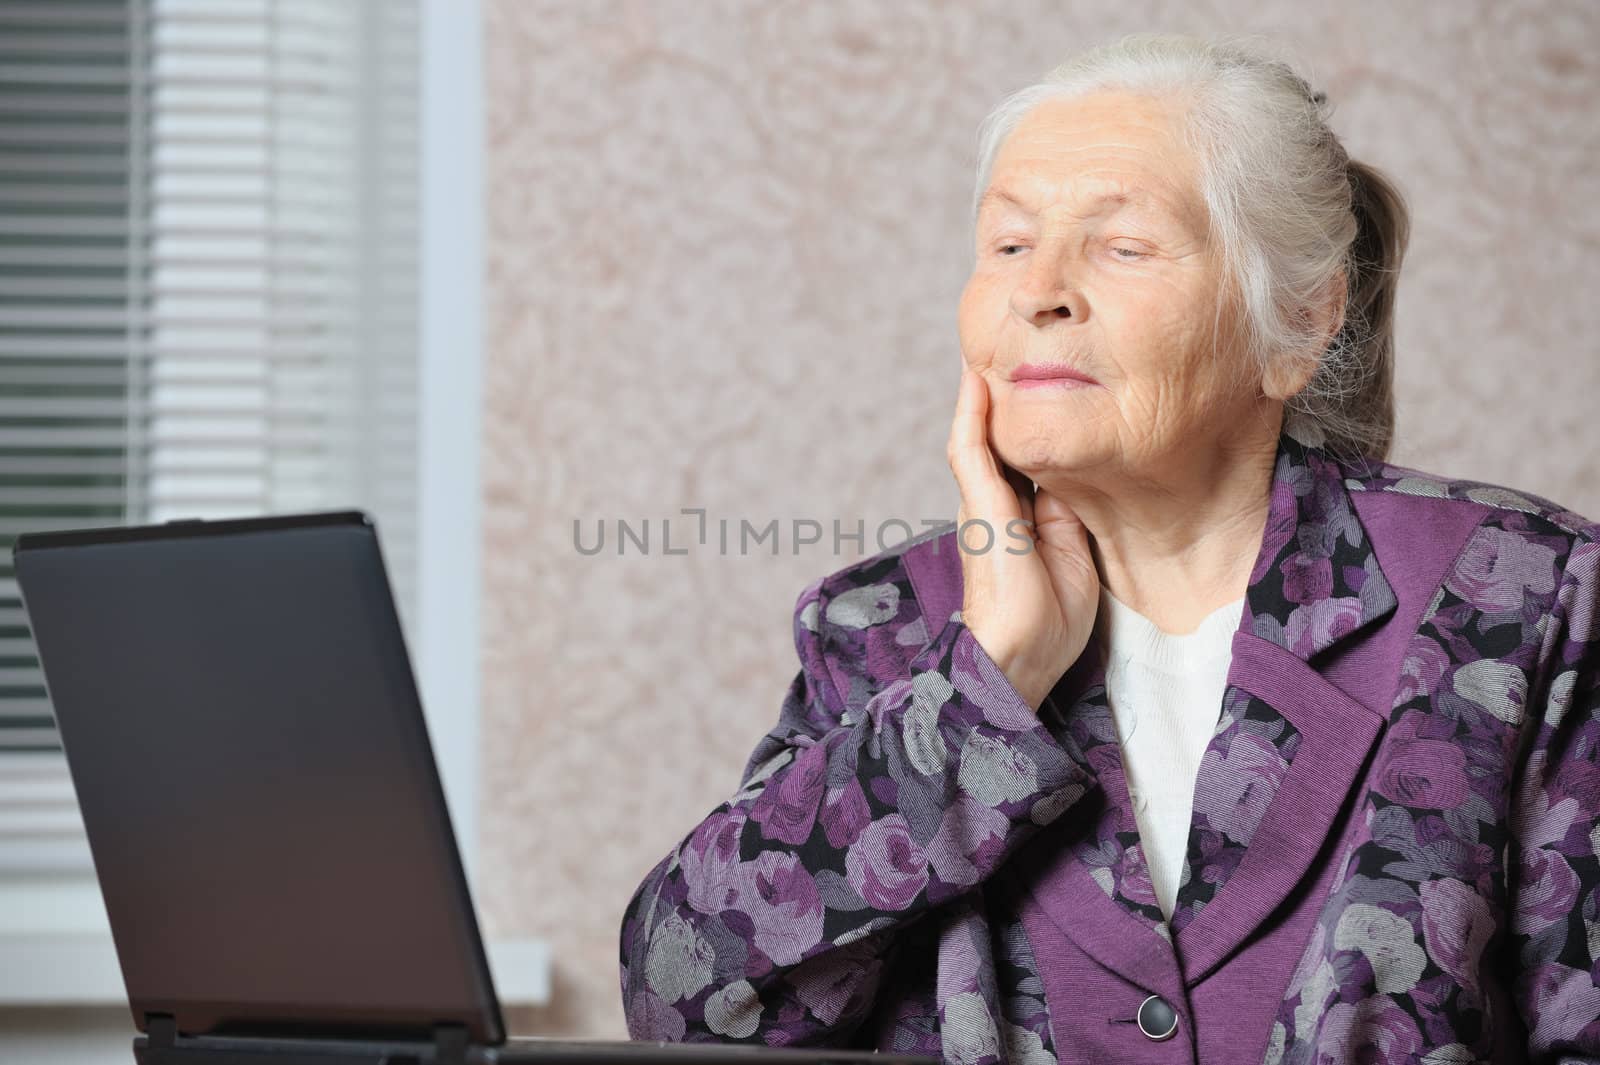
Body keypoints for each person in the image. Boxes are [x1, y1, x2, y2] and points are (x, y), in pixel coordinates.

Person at [618, 31, 1600, 1064]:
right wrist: (982, 686)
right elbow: (682, 1003)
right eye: (1006, 245)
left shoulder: (1528, 598)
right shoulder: (881, 626)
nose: (1039, 290)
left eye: (1121, 246)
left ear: (1300, 323)